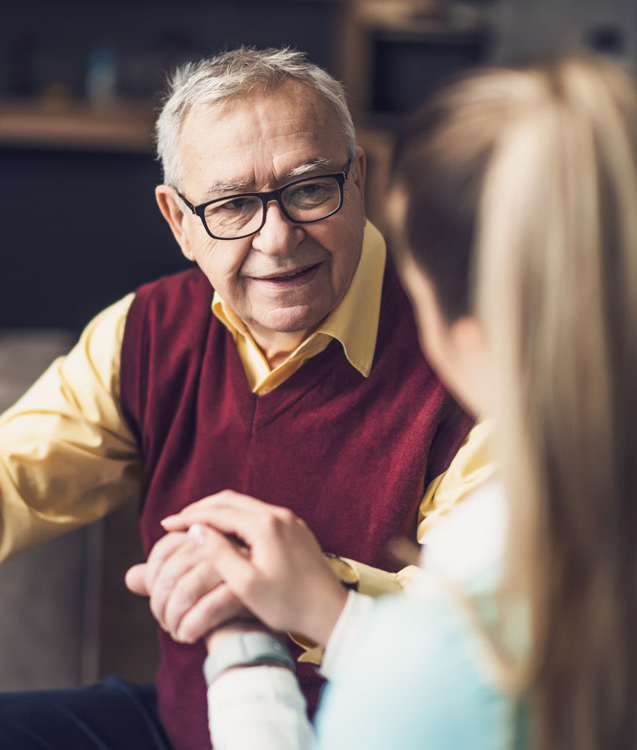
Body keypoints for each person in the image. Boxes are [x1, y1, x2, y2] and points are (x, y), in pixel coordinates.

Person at [0, 48, 489, 750]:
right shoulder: (145, 330)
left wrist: (304, 585)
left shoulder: (469, 352)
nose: (275, 238)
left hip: (386, 733)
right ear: (177, 221)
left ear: (357, 178)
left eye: (307, 190)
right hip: (186, 724)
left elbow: (487, 646)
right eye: (232, 205)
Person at [163, 56, 637, 749]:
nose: (276, 238)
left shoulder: (462, 643)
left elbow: (445, 689)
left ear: (463, 327)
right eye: (234, 204)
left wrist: (245, 645)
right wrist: (341, 621)